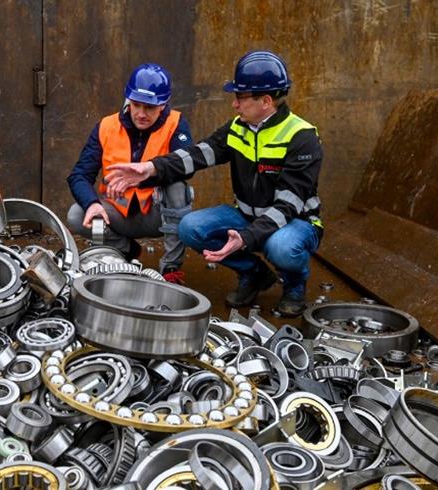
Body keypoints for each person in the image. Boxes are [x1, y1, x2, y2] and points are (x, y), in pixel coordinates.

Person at [104, 50, 323, 316]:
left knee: (282, 247)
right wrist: (150, 169)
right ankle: (255, 274)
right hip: (247, 215)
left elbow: (288, 206)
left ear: (266, 101)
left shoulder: (302, 137)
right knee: (190, 228)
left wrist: (244, 238)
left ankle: (294, 286)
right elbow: (198, 154)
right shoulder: (238, 127)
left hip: (295, 222)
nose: (235, 105)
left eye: (240, 97)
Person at [66, 63, 193, 283]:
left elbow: (185, 166)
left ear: (163, 105)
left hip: (157, 213)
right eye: (136, 105)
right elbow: (79, 175)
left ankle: (171, 268)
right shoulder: (106, 126)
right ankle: (125, 249)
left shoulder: (176, 124)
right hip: (117, 212)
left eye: (150, 108)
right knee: (77, 215)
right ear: (128, 100)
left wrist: (145, 177)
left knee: (178, 186)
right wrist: (93, 204)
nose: (141, 114)